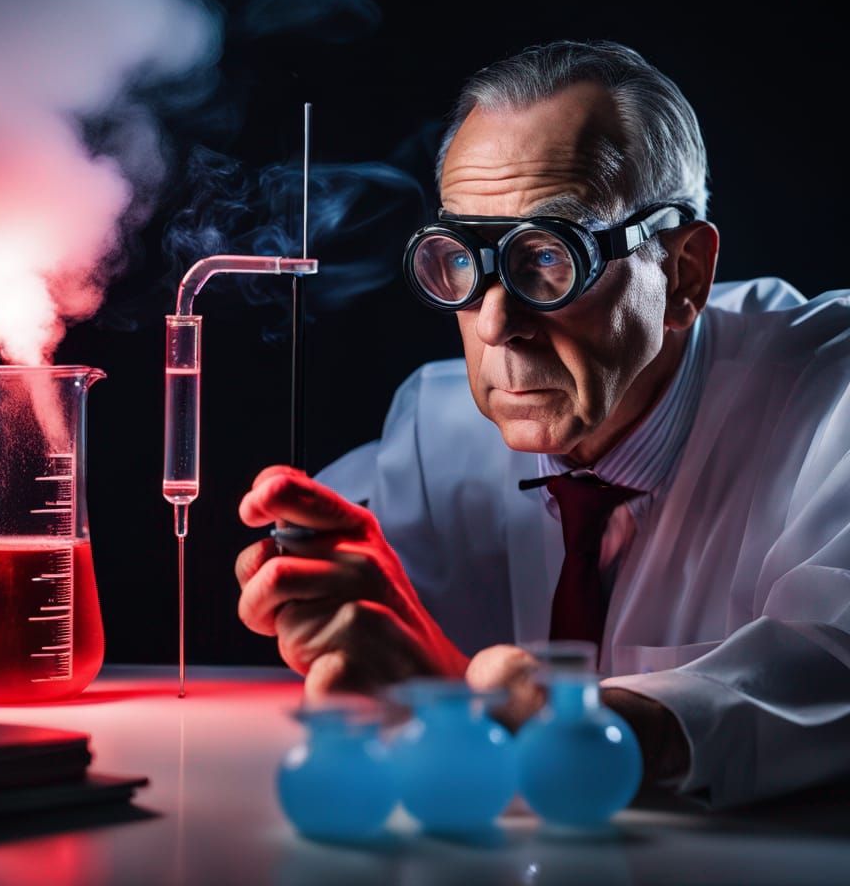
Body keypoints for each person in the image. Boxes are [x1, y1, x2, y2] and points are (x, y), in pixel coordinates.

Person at [234, 40, 850, 808]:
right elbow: (345, 645)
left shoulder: (833, 395)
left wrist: (497, 711)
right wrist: (306, 587)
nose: (495, 325)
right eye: (460, 261)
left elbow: (832, 666)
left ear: (685, 274)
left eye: (551, 259)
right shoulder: (437, 428)